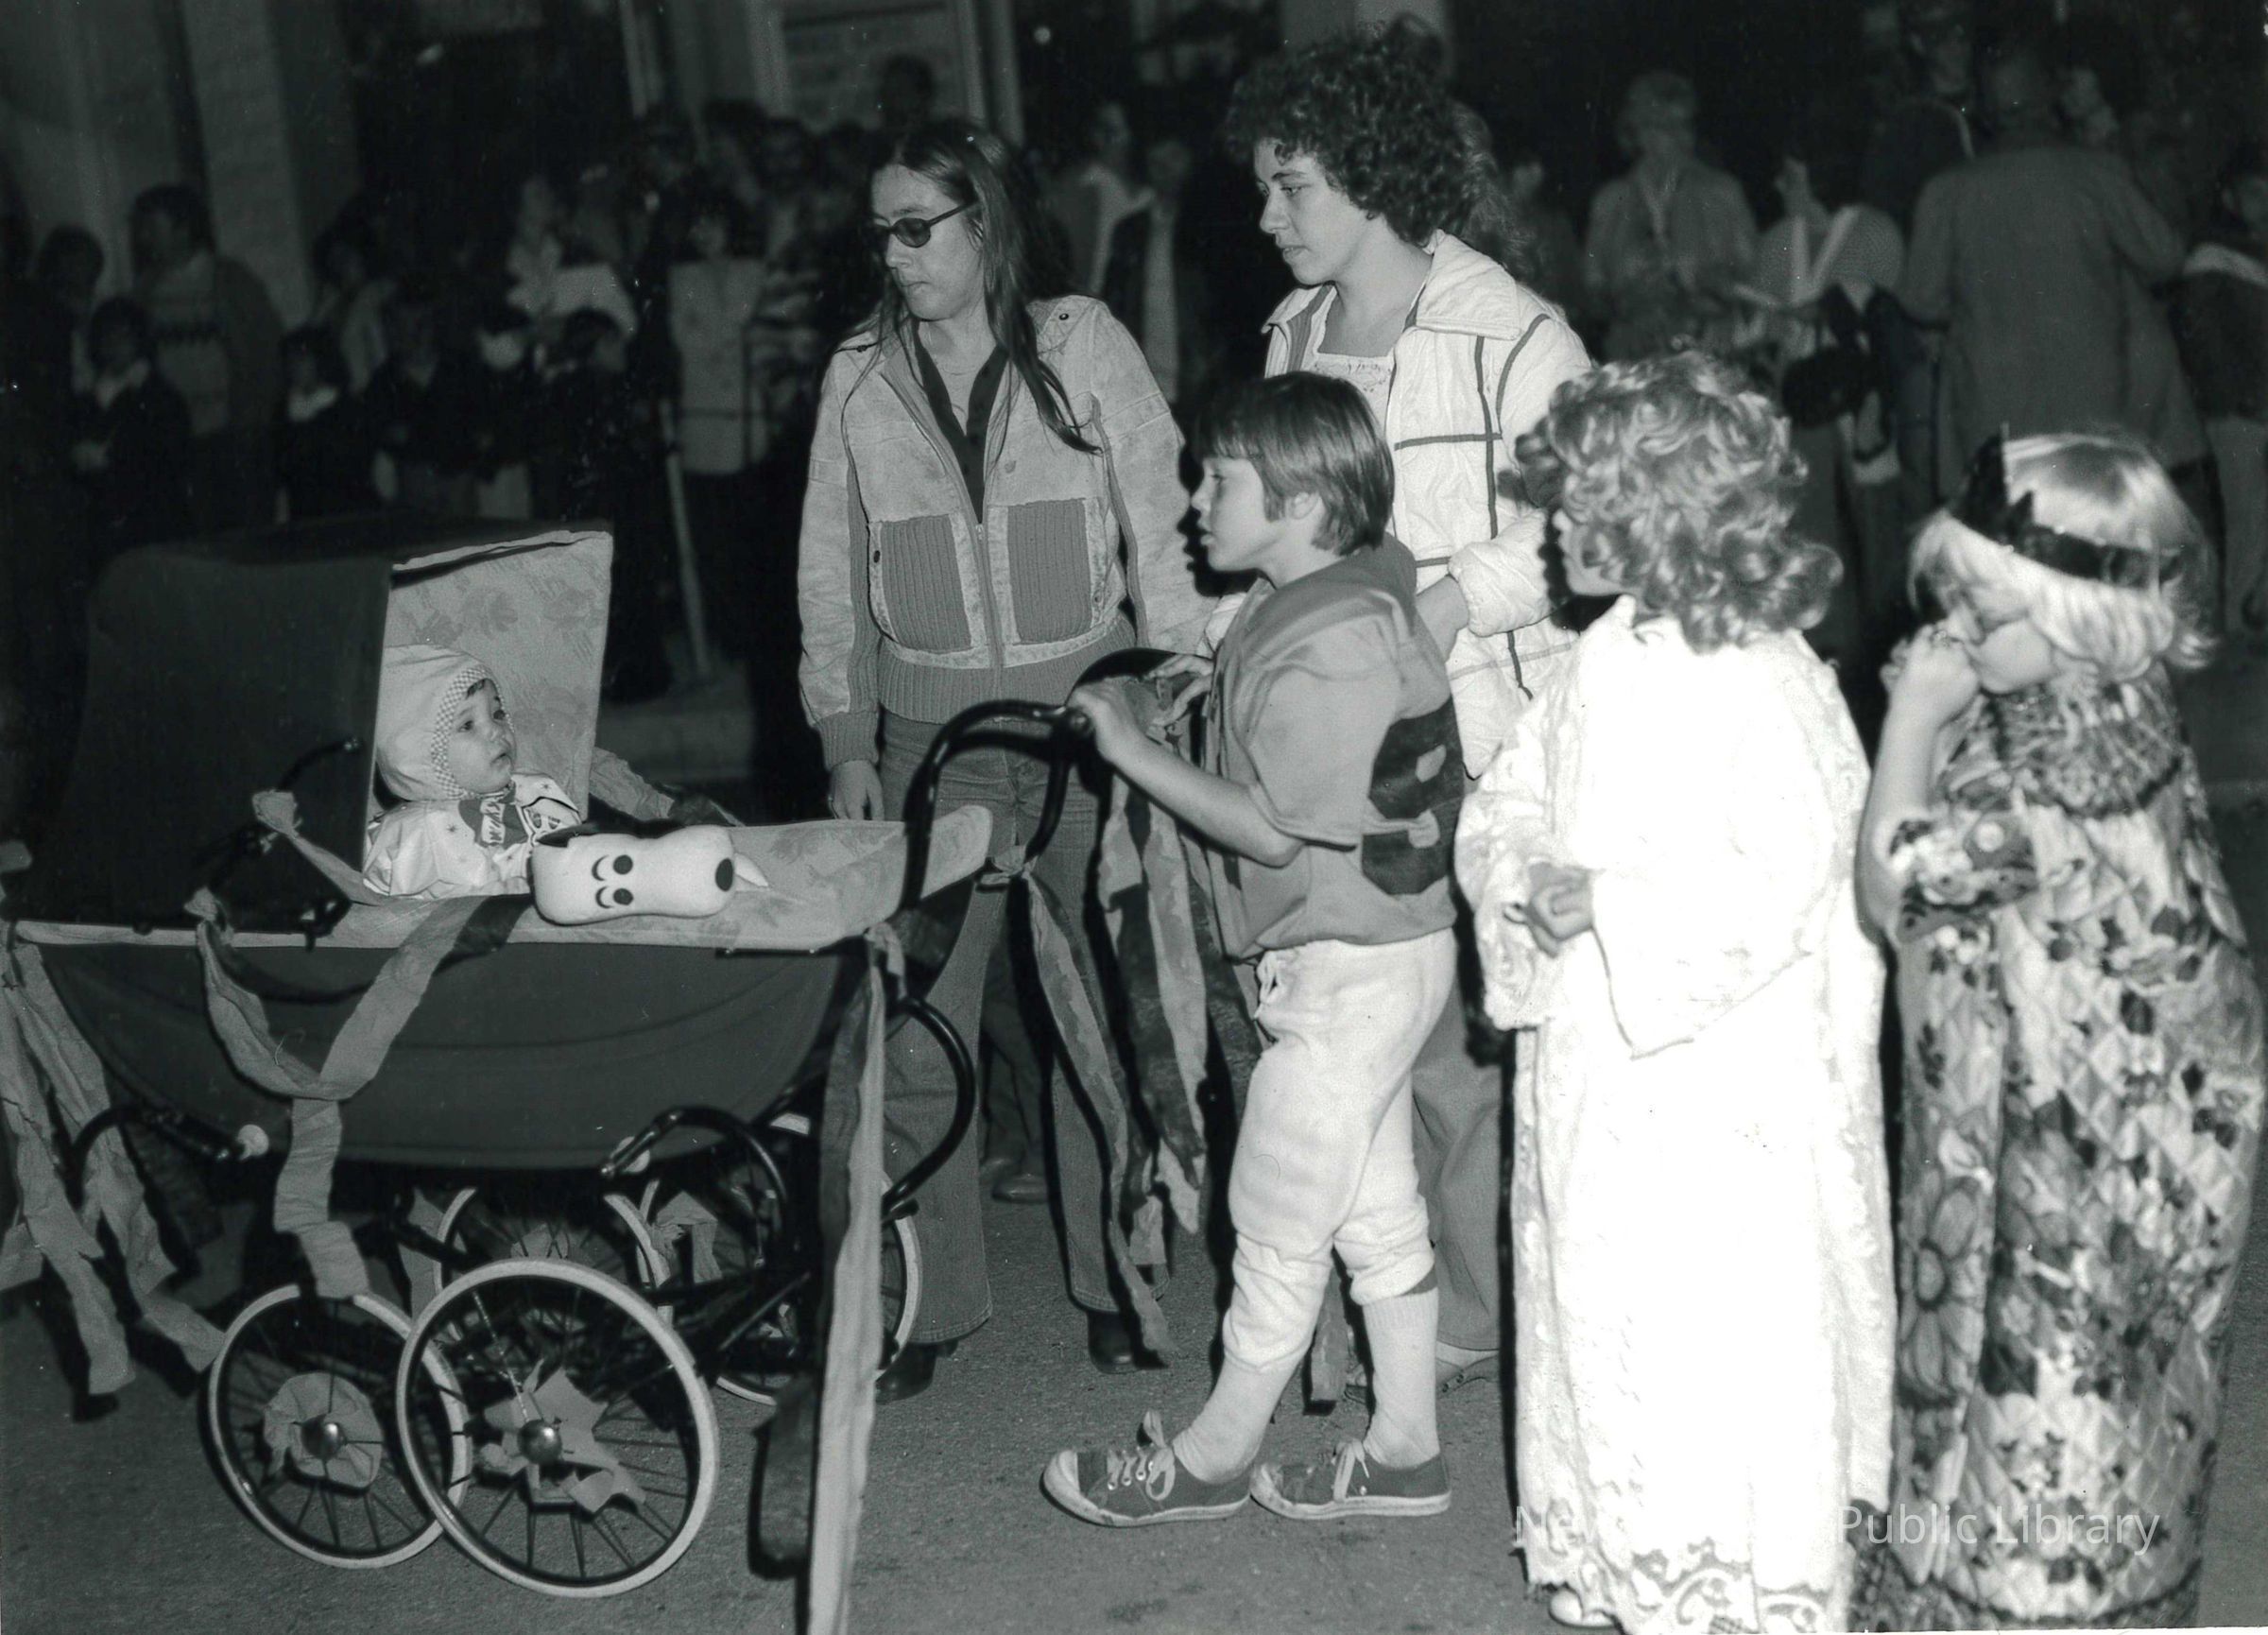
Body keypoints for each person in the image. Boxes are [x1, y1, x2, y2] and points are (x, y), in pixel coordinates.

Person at [1459, 352, 1894, 1630]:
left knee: (1709, 1326)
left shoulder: (1764, 677)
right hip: (1599, 1064)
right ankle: (1627, 1556)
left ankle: (1728, 1579)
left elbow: (1794, 872)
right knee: (1609, 1308)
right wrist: (1527, 870)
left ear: (1657, 514)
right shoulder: (1603, 652)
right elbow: (1513, 792)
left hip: (1720, 1086)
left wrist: (1618, 901)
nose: (1554, 531)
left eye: (1579, 506)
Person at [797, 116, 1212, 1396]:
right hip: (934, 747)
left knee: (1107, 1010)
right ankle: (926, 1302)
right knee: (920, 1023)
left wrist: (1171, 684)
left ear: (984, 223)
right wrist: (844, 733)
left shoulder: (1082, 344)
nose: (895, 253)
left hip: (1087, 731)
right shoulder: (858, 374)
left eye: (918, 227)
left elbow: (1161, 521)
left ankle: (1121, 1277)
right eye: (882, 231)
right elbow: (827, 566)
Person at [1226, 23, 1592, 1388]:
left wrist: (1435, 612)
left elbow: (1578, 527)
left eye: (1294, 187)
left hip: (1488, 737)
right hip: (1348, 748)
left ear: (1374, 177)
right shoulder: (1295, 335)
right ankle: (1413, 1302)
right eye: (1266, 188)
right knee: (1386, 1033)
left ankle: (1484, 1314)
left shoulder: (1512, 335)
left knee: (1475, 1047)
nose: (1269, 218)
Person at [1853, 431, 2263, 1628]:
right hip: (2141, 1125)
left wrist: (1913, 720)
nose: (1953, 629)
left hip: (2079, 1166)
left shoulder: (2046, 771)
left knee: (2044, 1420)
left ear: (2078, 610)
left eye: (1981, 611)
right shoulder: (2112, 695)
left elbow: (1894, 883)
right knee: (2114, 1421)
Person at [1047, 372, 1464, 1525]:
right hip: (1379, 952)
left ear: (1304, 501)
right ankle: (1408, 1448)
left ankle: (1212, 1456)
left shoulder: (1332, 638)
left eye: (1220, 480)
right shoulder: (1344, 597)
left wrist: (1133, 751)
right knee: (1372, 1212)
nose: (1196, 502)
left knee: (1277, 1213)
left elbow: (1274, 827)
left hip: (1350, 969)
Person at [1900, 45, 2189, 502]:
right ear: (2048, 98)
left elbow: (1920, 298)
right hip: (2097, 404)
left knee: (2010, 535)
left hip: (1991, 412)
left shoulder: (1947, 191)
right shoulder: (2097, 173)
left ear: (1984, 110)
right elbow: (2165, 258)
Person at [1745, 93, 1907, 680]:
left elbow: (1890, 323)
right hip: (1798, 415)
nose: (1779, 185)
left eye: (1791, 177)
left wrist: (1829, 314)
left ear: (1821, 178)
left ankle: (1878, 659)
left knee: (1873, 540)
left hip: (1860, 414)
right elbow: (1757, 328)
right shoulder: (1775, 240)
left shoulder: (1875, 232)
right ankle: (1823, 648)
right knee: (1811, 534)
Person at [363, 645, 578, 900]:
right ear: (421, 754)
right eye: (467, 725)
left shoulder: (534, 789)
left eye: (497, 714)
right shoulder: (418, 831)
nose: (496, 730)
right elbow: (379, 906)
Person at [130, 183, 284, 529]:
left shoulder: (230, 280)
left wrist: (254, 419)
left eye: (153, 228)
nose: (144, 238)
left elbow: (265, 353)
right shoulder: (145, 291)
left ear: (183, 230)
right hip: (179, 439)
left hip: (234, 433)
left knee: (247, 530)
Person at [1582, 71, 1757, 362]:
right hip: (1633, 357)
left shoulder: (1723, 192)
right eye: (1665, 127)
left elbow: (1753, 281)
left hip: (1709, 355)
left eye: (1685, 125)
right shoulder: (1610, 201)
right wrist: (1625, 301)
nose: (1682, 138)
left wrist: (1707, 286)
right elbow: (1592, 289)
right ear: (1637, 132)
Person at [2176, 140, 2268, 634]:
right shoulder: (2212, 259)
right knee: (2248, 517)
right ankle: (2239, 625)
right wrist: (2237, 398)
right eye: (2255, 194)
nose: (2266, 205)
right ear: (2231, 199)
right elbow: (2204, 344)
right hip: (2239, 413)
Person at [1098, 133, 1217, 415]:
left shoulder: (1211, 228)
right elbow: (1113, 302)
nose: (1165, 170)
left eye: (1174, 158)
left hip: (1199, 379)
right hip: (1142, 381)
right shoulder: (1129, 231)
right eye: (1156, 161)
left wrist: (1210, 360)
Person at [71, 298, 193, 561]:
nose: (113, 345)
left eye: (123, 336)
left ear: (140, 341)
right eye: (106, 337)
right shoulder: (87, 400)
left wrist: (113, 459)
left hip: (151, 524)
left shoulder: (161, 398)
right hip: (103, 524)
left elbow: (169, 462)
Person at [275, 325, 377, 522]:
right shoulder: (283, 412)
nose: (294, 367)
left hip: (343, 512)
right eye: (290, 360)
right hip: (302, 513)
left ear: (320, 361)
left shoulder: (346, 409)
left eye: (302, 359)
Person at [1052, 101, 1150, 297]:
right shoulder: (1079, 182)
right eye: (1098, 129)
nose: (1101, 139)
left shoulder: (1150, 191)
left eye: (1112, 131)